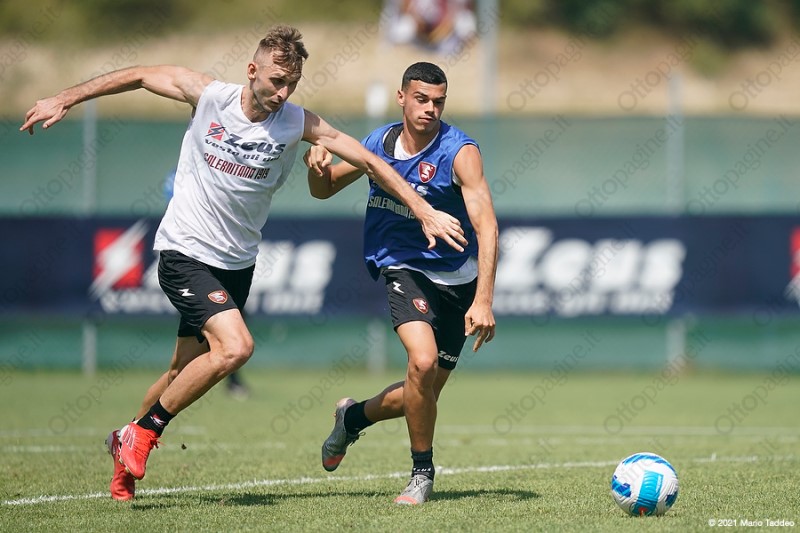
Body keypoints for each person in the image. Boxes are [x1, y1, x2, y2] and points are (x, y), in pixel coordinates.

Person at [20, 26, 468, 502]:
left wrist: (421, 208)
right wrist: (64, 98)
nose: (282, 93)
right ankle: (144, 432)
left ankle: (125, 446)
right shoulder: (209, 97)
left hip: (236, 264)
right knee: (236, 347)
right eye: (275, 81)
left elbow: (372, 162)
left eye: (291, 85)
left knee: (180, 373)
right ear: (252, 70)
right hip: (185, 250)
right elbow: (140, 75)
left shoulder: (296, 121)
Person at [304, 61, 498, 504]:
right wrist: (316, 165)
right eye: (421, 99)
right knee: (422, 363)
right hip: (402, 268)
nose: (430, 109)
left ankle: (352, 419)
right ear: (401, 97)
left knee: (421, 391)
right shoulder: (378, 143)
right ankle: (422, 473)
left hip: (458, 281)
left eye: (438, 102)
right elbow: (324, 188)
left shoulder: (460, 152)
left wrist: (484, 299)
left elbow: (486, 226)